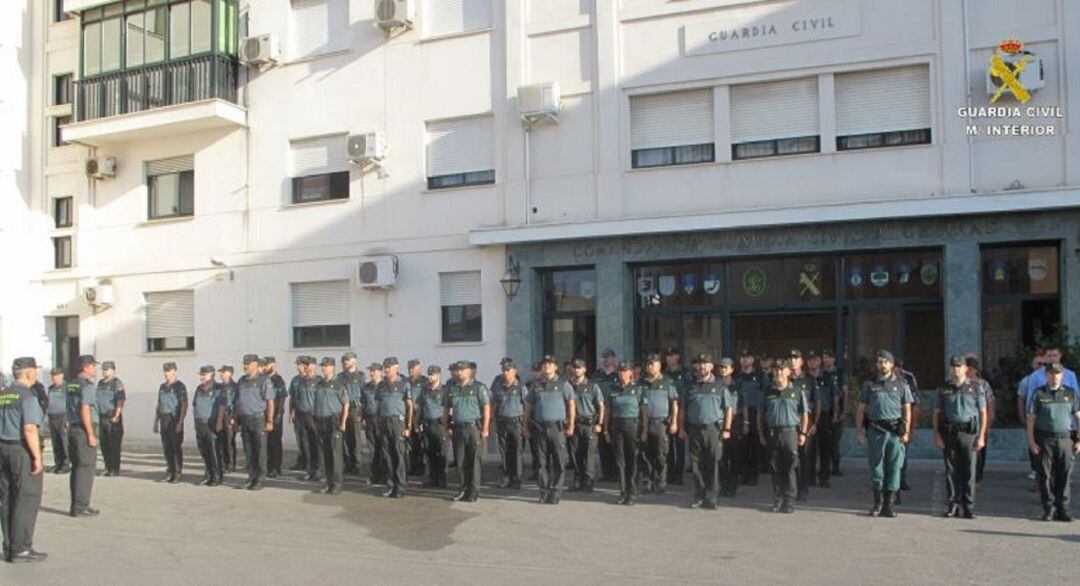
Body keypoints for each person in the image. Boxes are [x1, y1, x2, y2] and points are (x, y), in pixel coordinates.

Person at [856, 350, 913, 518]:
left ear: (892, 365)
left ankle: (889, 504)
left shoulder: (902, 384)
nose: (882, 365)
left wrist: (906, 431)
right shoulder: (869, 385)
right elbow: (860, 409)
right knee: (876, 468)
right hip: (876, 431)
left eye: (885, 362)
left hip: (894, 432)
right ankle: (878, 503)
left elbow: (907, 409)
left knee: (894, 467)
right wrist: (859, 431)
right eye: (880, 362)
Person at [0, 357, 47, 563]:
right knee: (26, 498)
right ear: (29, 373)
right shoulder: (27, 396)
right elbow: (29, 429)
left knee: (7, 498)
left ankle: (9, 546)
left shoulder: (3, 394)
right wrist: (37, 457)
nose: (36, 374)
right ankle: (21, 548)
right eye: (35, 370)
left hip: (2, 449)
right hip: (21, 450)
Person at [933, 355, 987, 519]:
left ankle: (968, 506)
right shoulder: (944, 388)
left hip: (968, 434)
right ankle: (953, 505)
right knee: (951, 471)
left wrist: (981, 436)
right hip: (949, 433)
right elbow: (936, 413)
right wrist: (937, 435)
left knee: (969, 471)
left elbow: (983, 413)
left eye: (959, 366)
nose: (956, 369)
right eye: (953, 366)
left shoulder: (976, 387)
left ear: (966, 369)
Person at [1025, 362, 1080, 522]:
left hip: (1065, 439)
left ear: (1062, 375)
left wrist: (1078, 440)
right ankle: (1049, 508)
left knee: (1065, 475)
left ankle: (1063, 509)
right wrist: (1031, 441)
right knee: (1045, 475)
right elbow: (1031, 419)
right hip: (1044, 439)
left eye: (1057, 374)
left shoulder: (1070, 393)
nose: (1054, 377)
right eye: (1051, 373)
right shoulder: (1039, 394)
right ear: (1046, 375)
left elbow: (1078, 417)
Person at [681, 353, 733, 510]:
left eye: (706, 363)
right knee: (696, 465)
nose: (702, 366)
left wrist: (727, 429)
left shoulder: (720, 386)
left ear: (711, 366)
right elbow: (683, 409)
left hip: (713, 429)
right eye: (700, 363)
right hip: (694, 429)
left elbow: (728, 409)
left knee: (712, 463)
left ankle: (711, 497)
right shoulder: (691, 386)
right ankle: (699, 495)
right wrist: (682, 428)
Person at [759, 359, 808, 514]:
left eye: (782, 370)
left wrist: (803, 433)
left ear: (788, 372)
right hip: (773, 433)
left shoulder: (797, 391)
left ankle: (789, 501)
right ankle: (778, 499)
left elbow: (804, 413)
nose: (779, 373)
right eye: (776, 370)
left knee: (790, 467)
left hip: (790, 432)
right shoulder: (768, 391)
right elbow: (760, 414)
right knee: (775, 468)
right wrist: (761, 434)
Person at [524, 355, 575, 504]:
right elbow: (528, 406)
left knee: (559, 462)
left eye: (550, 364)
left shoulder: (563, 384)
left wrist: (571, 424)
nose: (546, 366)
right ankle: (544, 492)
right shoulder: (536, 385)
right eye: (544, 364)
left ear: (555, 367)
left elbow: (571, 404)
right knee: (542, 463)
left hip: (557, 428)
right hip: (540, 428)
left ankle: (556, 492)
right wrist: (525, 425)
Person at [443, 361, 490, 502]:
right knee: (461, 461)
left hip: (473, 428)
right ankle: (463, 489)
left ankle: (474, 491)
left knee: (474, 460)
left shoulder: (478, 388)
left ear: (469, 371)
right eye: (457, 370)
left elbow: (486, 408)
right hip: (458, 428)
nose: (459, 373)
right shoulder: (452, 389)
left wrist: (485, 429)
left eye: (462, 370)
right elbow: (446, 409)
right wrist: (445, 427)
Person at [604, 361, 648, 506]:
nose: (622, 374)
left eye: (625, 371)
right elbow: (608, 411)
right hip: (617, 425)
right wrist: (606, 429)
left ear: (631, 373)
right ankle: (623, 492)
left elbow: (644, 411)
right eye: (620, 371)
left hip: (633, 425)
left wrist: (644, 430)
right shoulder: (613, 390)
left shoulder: (639, 390)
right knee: (620, 461)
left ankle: (633, 492)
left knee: (633, 459)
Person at [639, 354, 678, 495]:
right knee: (646, 454)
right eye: (648, 364)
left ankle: (661, 482)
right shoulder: (641, 383)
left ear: (659, 366)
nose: (650, 367)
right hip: (645, 423)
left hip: (661, 423)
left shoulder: (668, 382)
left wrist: (674, 422)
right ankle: (647, 482)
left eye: (653, 364)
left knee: (661, 455)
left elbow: (674, 403)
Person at [233, 354, 274, 490]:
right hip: (244, 420)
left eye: (248, 364)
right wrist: (236, 419)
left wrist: (269, 421)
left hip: (258, 419)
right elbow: (237, 401)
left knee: (259, 450)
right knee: (248, 450)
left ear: (256, 365)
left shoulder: (264, 380)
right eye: (244, 364)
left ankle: (259, 479)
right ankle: (251, 477)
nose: (245, 366)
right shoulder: (241, 381)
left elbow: (270, 402)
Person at [67, 354, 100, 517]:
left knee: (77, 468)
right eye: (93, 366)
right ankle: (81, 506)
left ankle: (76, 504)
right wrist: (90, 434)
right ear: (86, 368)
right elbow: (85, 409)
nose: (95, 369)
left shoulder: (72, 384)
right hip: (84, 429)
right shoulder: (87, 386)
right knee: (85, 468)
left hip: (73, 428)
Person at [376, 357, 413, 498]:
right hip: (384, 422)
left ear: (396, 368)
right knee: (387, 456)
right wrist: (378, 425)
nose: (386, 370)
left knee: (398, 455)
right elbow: (378, 407)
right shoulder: (381, 385)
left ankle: (400, 487)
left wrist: (408, 426)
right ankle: (390, 485)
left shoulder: (404, 384)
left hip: (398, 422)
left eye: (389, 367)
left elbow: (409, 406)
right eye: (385, 367)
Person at [566, 358, 604, 493]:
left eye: (579, 367)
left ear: (584, 369)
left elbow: (601, 406)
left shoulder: (593, 386)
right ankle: (578, 479)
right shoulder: (568, 385)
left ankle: (588, 480)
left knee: (589, 454)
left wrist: (599, 423)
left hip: (589, 424)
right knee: (575, 453)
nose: (576, 370)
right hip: (574, 423)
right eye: (575, 367)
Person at [314, 357, 349, 495]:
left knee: (335, 455)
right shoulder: (320, 384)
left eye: (326, 366)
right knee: (325, 454)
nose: (323, 368)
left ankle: (337, 484)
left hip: (334, 422)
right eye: (322, 366)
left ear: (333, 367)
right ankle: (328, 483)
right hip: (321, 421)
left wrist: (343, 422)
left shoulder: (339, 384)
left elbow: (346, 404)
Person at [491, 360, 526, 490]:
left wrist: (525, 424)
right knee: (504, 451)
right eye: (504, 370)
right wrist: (492, 420)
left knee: (516, 451)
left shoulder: (521, 387)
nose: (505, 373)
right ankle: (506, 477)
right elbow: (493, 404)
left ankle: (517, 479)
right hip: (502, 422)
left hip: (517, 423)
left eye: (508, 370)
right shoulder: (498, 387)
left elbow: (527, 406)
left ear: (514, 371)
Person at [734, 350, 765, 485]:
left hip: (755, 413)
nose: (744, 360)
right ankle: (743, 473)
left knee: (755, 445)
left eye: (747, 357)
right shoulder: (737, 376)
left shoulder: (759, 376)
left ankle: (754, 474)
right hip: (740, 412)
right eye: (742, 357)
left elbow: (764, 394)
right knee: (742, 445)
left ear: (752, 360)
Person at [154, 362, 187, 483]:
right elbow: (159, 404)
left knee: (175, 447)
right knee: (167, 447)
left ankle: (177, 473)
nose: (166, 374)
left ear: (174, 371)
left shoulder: (179, 386)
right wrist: (156, 421)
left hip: (174, 419)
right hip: (164, 419)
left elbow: (184, 404)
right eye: (165, 371)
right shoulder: (162, 386)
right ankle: (170, 471)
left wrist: (180, 422)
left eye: (168, 371)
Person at [417, 365, 449, 488]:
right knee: (430, 453)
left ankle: (442, 479)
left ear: (438, 375)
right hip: (428, 424)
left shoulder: (444, 390)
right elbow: (420, 408)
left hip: (440, 425)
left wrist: (448, 426)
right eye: (429, 374)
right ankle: (433, 478)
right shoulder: (424, 391)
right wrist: (416, 422)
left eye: (432, 374)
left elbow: (449, 409)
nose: (430, 377)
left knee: (442, 453)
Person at [191, 366, 224, 486]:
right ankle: (208, 475)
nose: (202, 377)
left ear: (212, 375)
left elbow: (221, 407)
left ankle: (217, 477)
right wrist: (195, 421)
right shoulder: (199, 388)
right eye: (201, 375)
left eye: (204, 375)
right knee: (204, 452)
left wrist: (219, 422)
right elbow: (195, 405)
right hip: (200, 424)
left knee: (214, 452)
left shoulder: (218, 388)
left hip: (211, 423)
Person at [788, 350, 814, 502]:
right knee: (791, 457)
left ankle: (803, 488)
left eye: (796, 359)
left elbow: (816, 402)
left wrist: (814, 423)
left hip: (804, 422)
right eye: (791, 359)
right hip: (789, 422)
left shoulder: (809, 380)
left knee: (804, 457)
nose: (793, 361)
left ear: (802, 362)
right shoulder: (784, 379)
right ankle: (791, 488)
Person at [963, 356, 992, 483]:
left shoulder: (983, 384)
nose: (967, 371)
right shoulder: (959, 383)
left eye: (970, 368)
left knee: (979, 452)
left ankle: (977, 477)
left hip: (979, 423)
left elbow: (989, 404)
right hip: (963, 423)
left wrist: (988, 424)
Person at [894, 357, 920, 499]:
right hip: (887, 422)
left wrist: (911, 429)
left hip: (902, 422)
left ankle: (900, 480)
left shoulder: (908, 378)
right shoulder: (880, 378)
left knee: (901, 454)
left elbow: (914, 405)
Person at [663, 348, 689, 486]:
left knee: (679, 445)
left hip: (681, 411)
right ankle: (670, 473)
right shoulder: (664, 374)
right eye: (667, 355)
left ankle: (678, 475)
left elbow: (688, 392)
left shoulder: (684, 373)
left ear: (677, 357)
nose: (669, 358)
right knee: (668, 446)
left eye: (671, 355)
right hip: (667, 412)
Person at [821, 350, 847, 476]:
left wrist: (844, 411)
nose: (826, 360)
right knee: (825, 441)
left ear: (833, 359)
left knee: (835, 441)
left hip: (838, 410)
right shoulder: (821, 373)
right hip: (825, 410)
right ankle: (824, 467)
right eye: (824, 358)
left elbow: (845, 393)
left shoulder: (840, 373)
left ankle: (836, 467)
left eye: (828, 357)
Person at [338, 353, 364, 476]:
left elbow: (364, 395)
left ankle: (357, 465)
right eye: (344, 361)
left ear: (354, 361)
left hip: (355, 409)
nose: (345, 363)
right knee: (345, 438)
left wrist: (362, 413)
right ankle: (348, 464)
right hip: (343, 409)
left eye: (348, 360)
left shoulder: (360, 376)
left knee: (355, 439)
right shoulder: (340, 377)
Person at [594, 349, 619, 482]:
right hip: (600, 413)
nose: (606, 359)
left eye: (608, 357)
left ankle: (616, 473)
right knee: (602, 445)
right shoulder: (597, 375)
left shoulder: (618, 374)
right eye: (604, 357)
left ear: (614, 359)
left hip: (615, 413)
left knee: (615, 444)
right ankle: (606, 473)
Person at [262, 357, 287, 479]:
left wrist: (278, 415)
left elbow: (282, 398)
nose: (264, 367)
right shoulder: (263, 379)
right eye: (264, 365)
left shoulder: (278, 380)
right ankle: (268, 466)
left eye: (267, 365)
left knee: (275, 442)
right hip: (264, 414)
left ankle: (276, 467)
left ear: (273, 365)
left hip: (275, 414)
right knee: (266, 443)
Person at [361, 362, 386, 485]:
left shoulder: (384, 386)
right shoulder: (366, 387)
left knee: (383, 449)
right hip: (370, 420)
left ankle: (384, 475)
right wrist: (363, 417)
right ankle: (374, 475)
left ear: (380, 372)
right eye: (371, 371)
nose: (372, 373)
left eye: (374, 371)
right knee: (372, 449)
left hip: (381, 420)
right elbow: (363, 403)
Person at [215, 365, 239, 473]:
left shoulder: (235, 386)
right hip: (220, 414)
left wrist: (234, 417)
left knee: (229, 441)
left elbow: (237, 403)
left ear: (230, 373)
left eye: (223, 372)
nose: (221, 374)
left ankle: (231, 464)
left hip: (230, 415)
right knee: (221, 440)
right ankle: (224, 463)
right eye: (220, 372)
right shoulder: (218, 386)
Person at [45, 368, 69, 473]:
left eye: (56, 375)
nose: (54, 378)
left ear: (61, 375)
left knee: (64, 441)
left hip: (63, 416)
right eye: (53, 376)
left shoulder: (66, 387)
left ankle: (66, 465)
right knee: (55, 442)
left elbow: (70, 403)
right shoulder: (51, 388)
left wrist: (68, 419)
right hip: (52, 416)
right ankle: (58, 463)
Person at [287, 357, 309, 472]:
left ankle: (310, 462)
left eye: (300, 365)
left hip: (308, 414)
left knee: (308, 439)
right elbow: (292, 398)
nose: (298, 367)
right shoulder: (295, 380)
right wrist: (291, 413)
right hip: (298, 413)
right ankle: (301, 461)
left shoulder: (310, 379)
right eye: (298, 365)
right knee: (299, 438)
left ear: (306, 366)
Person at [406, 359, 427, 478]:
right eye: (409, 368)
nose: (410, 370)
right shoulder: (406, 381)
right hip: (409, 415)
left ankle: (421, 467)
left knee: (420, 443)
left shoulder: (424, 382)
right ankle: (413, 466)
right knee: (411, 443)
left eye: (413, 368)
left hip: (420, 415)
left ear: (419, 368)